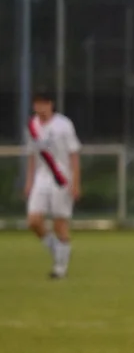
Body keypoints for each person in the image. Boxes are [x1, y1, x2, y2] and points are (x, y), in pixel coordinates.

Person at [24, 90, 81, 279]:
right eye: (37, 103)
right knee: (33, 220)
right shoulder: (32, 125)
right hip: (42, 177)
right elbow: (33, 155)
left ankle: (60, 268)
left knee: (59, 223)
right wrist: (29, 181)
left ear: (51, 104)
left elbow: (74, 155)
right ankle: (58, 250)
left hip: (61, 177)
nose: (41, 107)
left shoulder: (64, 125)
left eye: (44, 103)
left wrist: (76, 183)